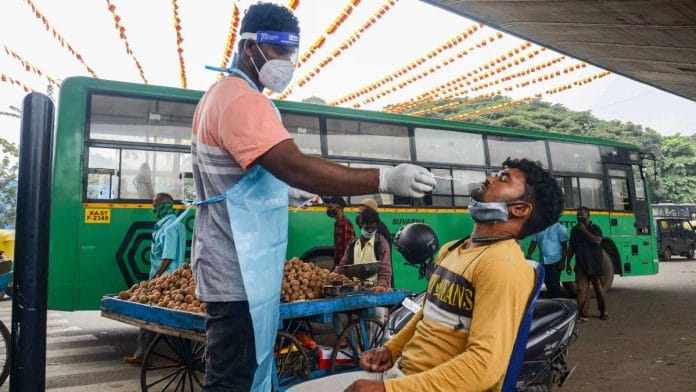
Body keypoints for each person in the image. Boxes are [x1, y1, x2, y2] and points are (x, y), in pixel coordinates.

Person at [191, 3, 436, 391]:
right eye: (279, 50)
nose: (287, 61)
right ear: (249, 47)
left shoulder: (221, 95)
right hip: (239, 273)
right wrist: (383, 177)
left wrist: (285, 191)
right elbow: (296, 165)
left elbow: (259, 176)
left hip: (237, 269)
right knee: (231, 382)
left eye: (292, 51)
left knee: (238, 373)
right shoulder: (241, 99)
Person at [289, 158, 563, 392]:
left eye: (504, 178)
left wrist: (388, 388)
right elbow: (426, 313)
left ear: (520, 209)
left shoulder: (503, 267)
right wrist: (391, 350)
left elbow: (484, 367)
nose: (490, 178)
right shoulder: (452, 249)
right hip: (403, 375)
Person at [124, 192, 186, 365]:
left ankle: (180, 357)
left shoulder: (171, 226)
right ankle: (142, 354)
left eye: (155, 204)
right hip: (160, 278)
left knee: (170, 321)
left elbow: (168, 256)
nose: (153, 208)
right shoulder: (167, 225)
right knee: (148, 316)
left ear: (163, 205)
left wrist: (156, 277)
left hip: (168, 281)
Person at [566, 207, 608, 322]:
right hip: (581, 264)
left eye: (582, 215)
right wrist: (568, 262)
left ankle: (603, 311)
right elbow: (572, 247)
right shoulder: (574, 230)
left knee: (599, 289)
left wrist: (584, 230)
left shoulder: (595, 228)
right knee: (581, 290)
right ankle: (583, 315)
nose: (579, 217)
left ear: (588, 216)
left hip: (595, 264)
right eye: (578, 215)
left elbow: (597, 241)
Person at [335, 207, 392, 288]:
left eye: (373, 228)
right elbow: (342, 267)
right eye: (367, 228)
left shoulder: (381, 243)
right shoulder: (352, 244)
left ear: (376, 227)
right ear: (361, 226)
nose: (370, 231)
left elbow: (385, 271)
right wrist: (332, 275)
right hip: (355, 291)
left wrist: (382, 286)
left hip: (374, 292)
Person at [526, 222, 569, 298]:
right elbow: (534, 242)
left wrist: (563, 262)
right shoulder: (538, 228)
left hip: (555, 261)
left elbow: (564, 247)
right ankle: (553, 301)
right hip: (543, 261)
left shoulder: (559, 228)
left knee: (554, 284)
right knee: (547, 282)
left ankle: (558, 303)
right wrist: (529, 255)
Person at [324, 196, 355, 268]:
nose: (328, 210)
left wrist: (341, 268)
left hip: (344, 268)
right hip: (339, 267)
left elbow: (349, 251)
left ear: (338, 208)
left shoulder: (346, 225)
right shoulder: (337, 224)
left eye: (330, 207)